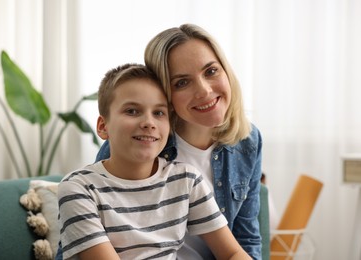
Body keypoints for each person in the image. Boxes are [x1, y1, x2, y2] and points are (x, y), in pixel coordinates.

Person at [96, 24, 263, 260]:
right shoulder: (139, 144)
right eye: (182, 83)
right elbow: (92, 236)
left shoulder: (248, 141)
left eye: (211, 71)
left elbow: (246, 239)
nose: (204, 91)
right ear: (165, 94)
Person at [57, 63, 251, 260]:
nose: (148, 123)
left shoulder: (186, 179)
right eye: (132, 111)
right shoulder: (78, 188)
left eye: (159, 113)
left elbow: (233, 253)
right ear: (103, 126)